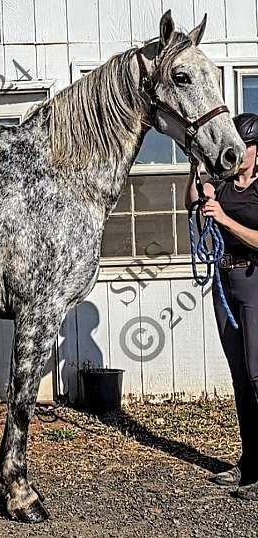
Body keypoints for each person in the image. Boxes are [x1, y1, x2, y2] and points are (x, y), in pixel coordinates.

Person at [185, 112, 258, 499]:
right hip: (224, 281)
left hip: (254, 280)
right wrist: (197, 169)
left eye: (243, 146)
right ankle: (250, 463)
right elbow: (193, 202)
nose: (237, 152)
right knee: (240, 379)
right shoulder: (226, 183)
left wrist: (226, 221)